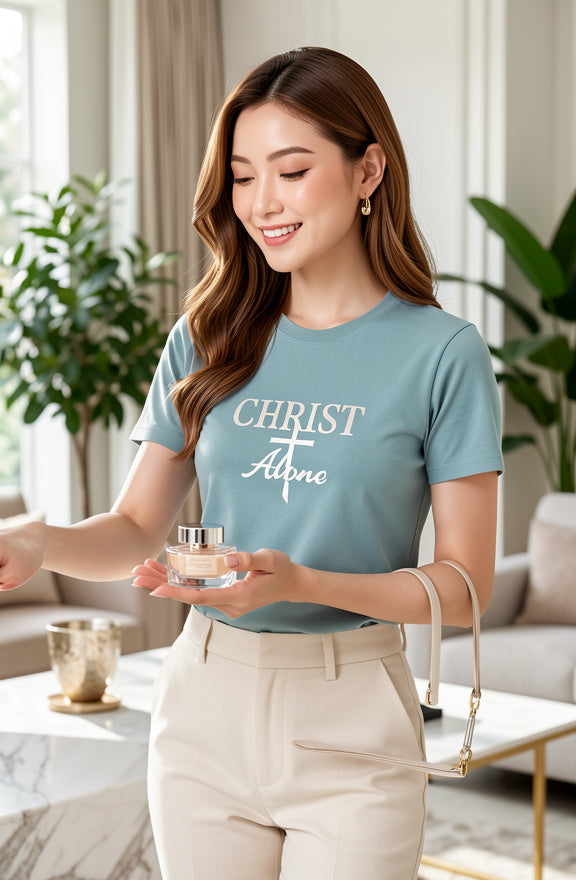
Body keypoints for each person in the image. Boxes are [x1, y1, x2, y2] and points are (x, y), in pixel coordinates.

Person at [0, 47, 503, 880]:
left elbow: (465, 587)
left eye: (292, 169)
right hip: (204, 705)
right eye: (241, 176)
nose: (262, 202)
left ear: (368, 167)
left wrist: (304, 582)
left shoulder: (443, 354)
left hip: (354, 716)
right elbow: (133, 530)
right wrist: (37, 540)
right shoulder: (206, 337)